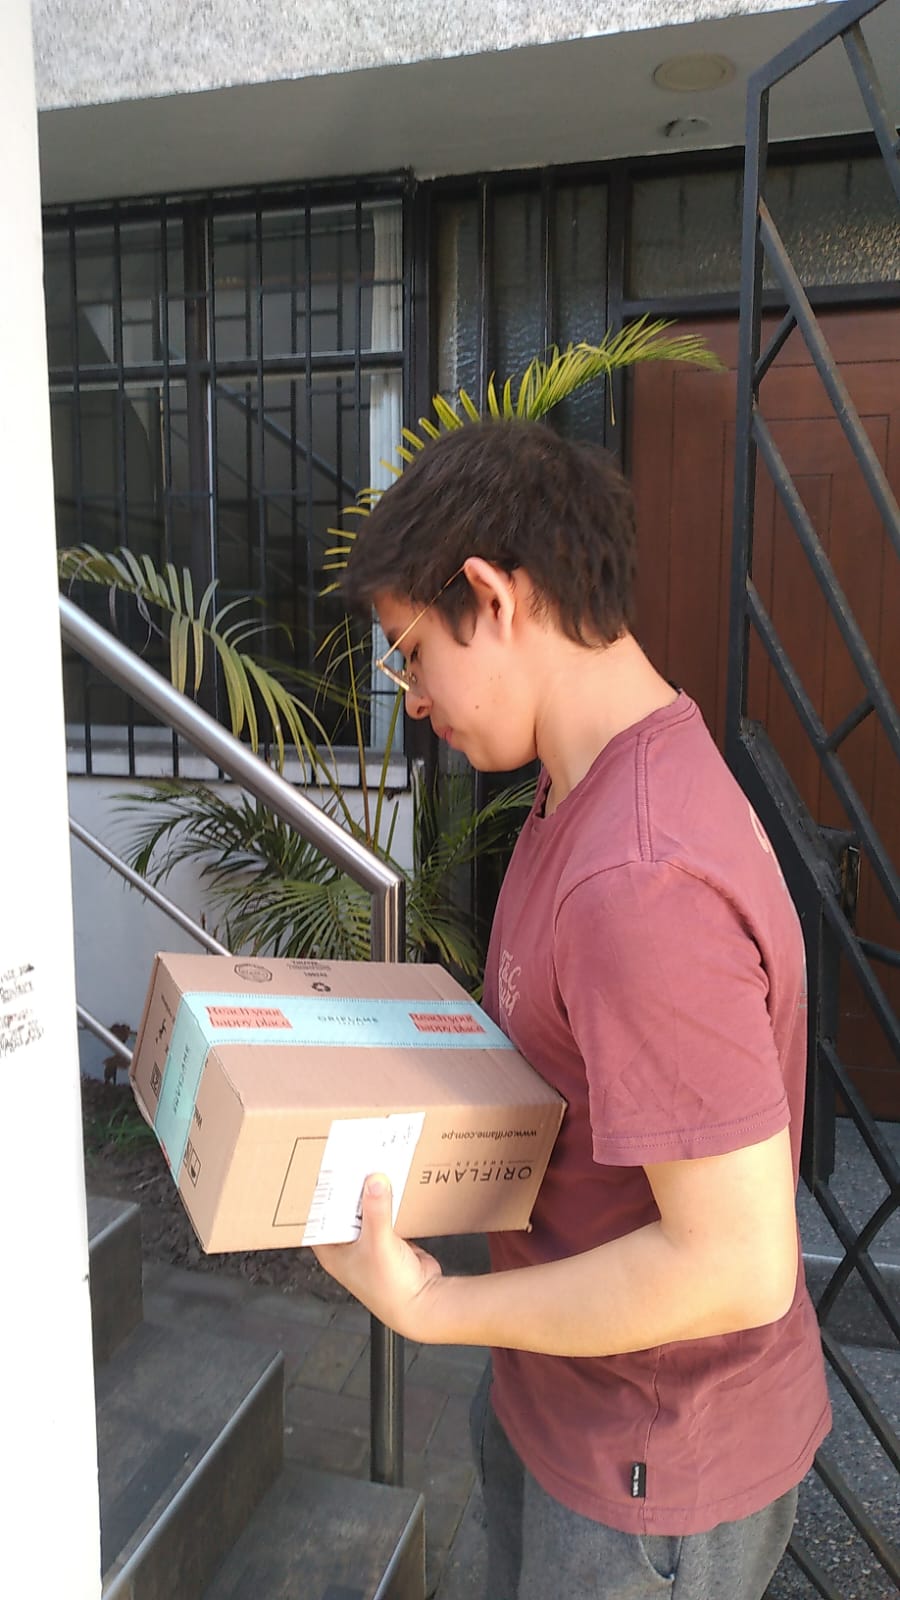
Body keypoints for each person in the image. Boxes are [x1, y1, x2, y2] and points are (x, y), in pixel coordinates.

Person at [313, 419, 831, 1600]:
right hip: (565, 1400)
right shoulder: (586, 785)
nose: (414, 700)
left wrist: (433, 1304)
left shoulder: (639, 875)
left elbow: (739, 1262)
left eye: (411, 653)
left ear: (493, 597)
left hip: (646, 1471)